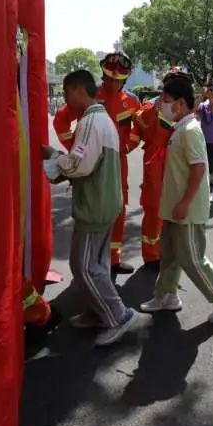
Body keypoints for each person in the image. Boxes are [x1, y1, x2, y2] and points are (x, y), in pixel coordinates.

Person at [42, 70, 138, 345]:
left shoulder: (90, 121)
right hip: (105, 202)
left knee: (84, 267)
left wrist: (53, 157)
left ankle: (117, 315)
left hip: (95, 205)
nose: (65, 98)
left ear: (77, 90)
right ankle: (98, 311)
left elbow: (78, 165)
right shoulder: (101, 119)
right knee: (97, 264)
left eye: (66, 92)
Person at [140, 75, 213, 323]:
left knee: (191, 257)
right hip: (174, 207)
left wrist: (185, 202)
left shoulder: (190, 130)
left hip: (185, 209)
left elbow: (199, 168)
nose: (161, 104)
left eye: (165, 100)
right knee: (169, 254)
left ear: (179, 103)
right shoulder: (180, 128)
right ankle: (166, 296)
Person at [95, 53, 142, 274]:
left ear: (125, 79)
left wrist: (128, 146)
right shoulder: (91, 96)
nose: (113, 83)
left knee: (118, 208)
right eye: (109, 78)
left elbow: (140, 128)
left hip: (118, 163)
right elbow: (62, 121)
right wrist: (77, 149)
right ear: (103, 76)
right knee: (94, 209)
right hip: (93, 164)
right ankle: (94, 258)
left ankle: (114, 258)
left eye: (118, 80)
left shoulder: (132, 101)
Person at [128, 78, 180, 264]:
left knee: (175, 207)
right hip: (155, 161)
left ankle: (169, 250)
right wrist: (154, 109)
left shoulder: (182, 105)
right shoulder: (151, 104)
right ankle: (151, 255)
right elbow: (138, 121)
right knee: (154, 208)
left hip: (176, 159)